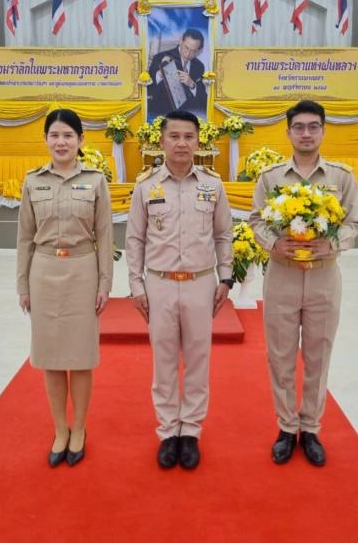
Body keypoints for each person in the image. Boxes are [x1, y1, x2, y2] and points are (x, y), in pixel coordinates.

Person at [249, 100, 358, 467]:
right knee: (281, 356)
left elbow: (354, 222)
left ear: (324, 131)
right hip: (282, 275)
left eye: (314, 127)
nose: (306, 133)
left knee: (319, 354)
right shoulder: (270, 178)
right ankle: (286, 427)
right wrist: (273, 243)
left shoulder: (341, 177)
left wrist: (333, 243)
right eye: (298, 127)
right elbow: (256, 220)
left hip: (323, 277)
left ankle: (311, 428)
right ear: (288, 132)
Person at [125, 110, 233, 470]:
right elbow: (135, 239)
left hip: (201, 283)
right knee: (165, 361)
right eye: (174, 136)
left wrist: (226, 277)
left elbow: (223, 234)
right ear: (161, 141)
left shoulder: (212, 185)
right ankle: (168, 431)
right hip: (160, 283)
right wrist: (136, 285)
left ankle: (191, 432)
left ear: (199, 141)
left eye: (189, 136)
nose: (182, 143)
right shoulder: (146, 186)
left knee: (199, 360)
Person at [16, 108, 113, 468]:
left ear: (81, 140)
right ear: (45, 139)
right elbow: (24, 237)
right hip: (43, 272)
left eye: (68, 135)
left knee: (81, 356)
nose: (61, 142)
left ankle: (80, 428)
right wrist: (22, 284)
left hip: (83, 271)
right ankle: (60, 428)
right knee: (51, 357)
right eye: (55, 135)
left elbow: (105, 234)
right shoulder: (32, 181)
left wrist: (105, 282)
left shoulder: (96, 181)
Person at [147, 29, 207, 120]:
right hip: (160, 116)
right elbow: (149, 89)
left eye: (193, 51)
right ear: (180, 41)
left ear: (199, 50)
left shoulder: (199, 66)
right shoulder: (160, 58)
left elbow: (203, 100)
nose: (188, 54)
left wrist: (192, 85)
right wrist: (159, 75)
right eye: (186, 48)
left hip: (188, 117)